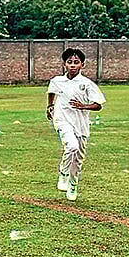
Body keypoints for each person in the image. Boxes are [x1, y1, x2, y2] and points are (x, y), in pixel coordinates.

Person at [46, 48, 106, 201]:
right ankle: (63, 173)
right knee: (71, 146)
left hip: (81, 125)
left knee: (78, 160)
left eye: (76, 62)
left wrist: (83, 106)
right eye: (69, 62)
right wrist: (50, 106)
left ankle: (73, 184)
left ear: (82, 65)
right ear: (64, 64)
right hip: (63, 120)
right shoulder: (57, 81)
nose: (73, 65)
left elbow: (98, 105)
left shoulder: (87, 84)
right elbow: (51, 91)